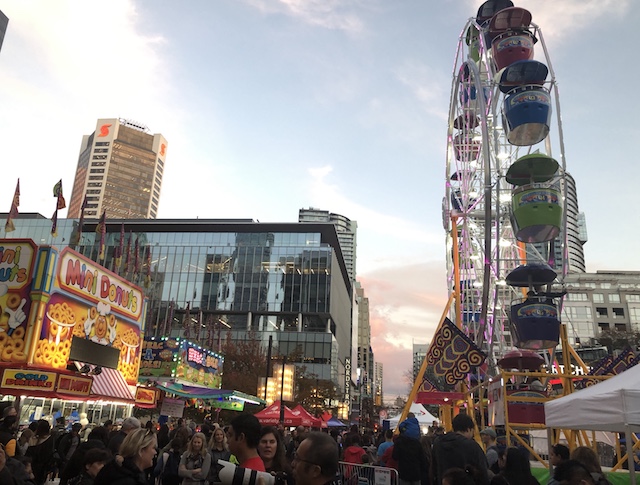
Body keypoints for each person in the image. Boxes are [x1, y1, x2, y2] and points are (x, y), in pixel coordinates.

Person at [432, 414, 489, 485]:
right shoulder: (472, 446)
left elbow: (433, 469)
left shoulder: (438, 443)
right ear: (469, 429)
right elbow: (483, 472)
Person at [393, 420, 428, 485]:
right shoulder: (417, 443)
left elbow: (395, 456)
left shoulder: (399, 442)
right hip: (416, 473)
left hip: (404, 472)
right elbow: (422, 458)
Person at [26, 419, 56, 485]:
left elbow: (33, 454)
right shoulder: (40, 439)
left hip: (39, 469)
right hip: (36, 468)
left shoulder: (48, 441)